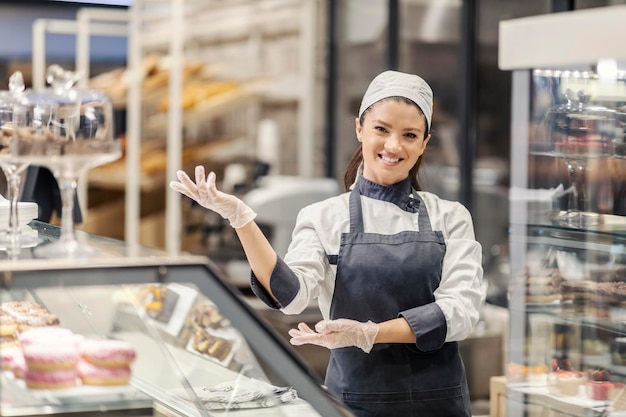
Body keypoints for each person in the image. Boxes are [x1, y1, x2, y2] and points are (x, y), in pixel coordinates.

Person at [170, 70, 485, 417]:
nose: (394, 146)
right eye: (381, 129)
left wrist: (369, 333)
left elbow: (462, 312)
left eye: (409, 135)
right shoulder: (324, 217)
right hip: (355, 404)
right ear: (359, 129)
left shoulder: (451, 217)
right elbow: (290, 296)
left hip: (439, 404)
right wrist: (242, 220)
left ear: (424, 143)